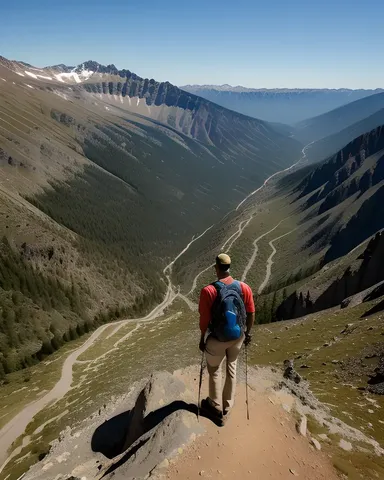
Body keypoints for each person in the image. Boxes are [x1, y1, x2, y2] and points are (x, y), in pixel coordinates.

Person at [198, 253, 255, 423]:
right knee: (232, 367)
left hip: (217, 339)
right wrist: (248, 333)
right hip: (237, 337)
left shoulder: (208, 291)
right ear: (229, 268)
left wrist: (202, 338)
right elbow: (251, 313)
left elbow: (204, 319)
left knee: (215, 370)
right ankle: (227, 406)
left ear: (216, 268)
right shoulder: (244, 287)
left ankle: (214, 406)